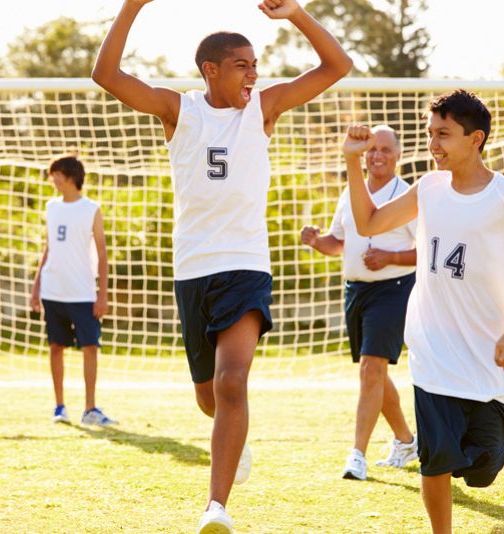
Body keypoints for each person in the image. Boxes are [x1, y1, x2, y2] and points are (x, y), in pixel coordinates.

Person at [92, 0, 352, 531]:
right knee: (210, 398)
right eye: (242, 65)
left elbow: (336, 67)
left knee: (233, 384)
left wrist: (296, 15)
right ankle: (235, 441)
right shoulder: (178, 110)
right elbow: (106, 74)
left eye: (256, 65)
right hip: (192, 269)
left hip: (246, 265)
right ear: (210, 70)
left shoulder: (265, 109)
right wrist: (132, 6)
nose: (254, 74)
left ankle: (216, 507)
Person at [342, 90, 504, 533]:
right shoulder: (429, 187)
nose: (432, 144)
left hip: (487, 356)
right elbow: (367, 224)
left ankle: (484, 440)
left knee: (482, 467)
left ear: (475, 138)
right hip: (432, 351)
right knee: (436, 458)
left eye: (443, 134)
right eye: (429, 134)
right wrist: (352, 161)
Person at [300, 124, 418, 481]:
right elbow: (338, 242)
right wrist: (316, 241)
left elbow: (426, 251)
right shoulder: (349, 193)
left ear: (398, 155)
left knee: (371, 368)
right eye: (371, 149)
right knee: (373, 373)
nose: (377, 155)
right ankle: (406, 440)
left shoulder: (408, 196)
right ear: (362, 155)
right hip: (356, 291)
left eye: (385, 149)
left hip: (394, 288)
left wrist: (389, 257)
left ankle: (357, 456)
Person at [30, 155, 117, 428]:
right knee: (56, 347)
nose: (52, 179)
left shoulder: (91, 209)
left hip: (82, 292)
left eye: (56, 174)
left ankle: (90, 408)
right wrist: (36, 286)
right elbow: (48, 248)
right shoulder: (51, 207)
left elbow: (102, 254)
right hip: (54, 290)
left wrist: (102, 294)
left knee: (89, 347)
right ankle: (60, 406)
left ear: (69, 177)